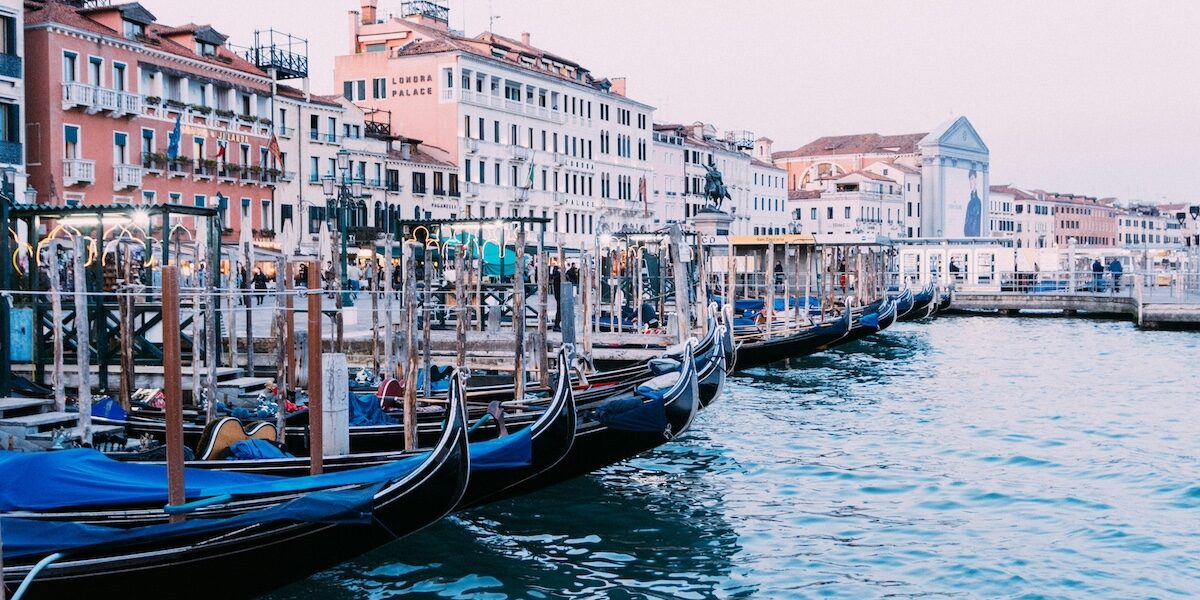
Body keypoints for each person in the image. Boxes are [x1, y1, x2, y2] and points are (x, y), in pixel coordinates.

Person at [550, 261, 563, 331]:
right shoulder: (558, 277)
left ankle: (557, 324)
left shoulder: (555, 278)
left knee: (559, 309)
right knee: (560, 310)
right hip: (560, 295)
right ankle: (557, 325)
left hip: (558, 295)